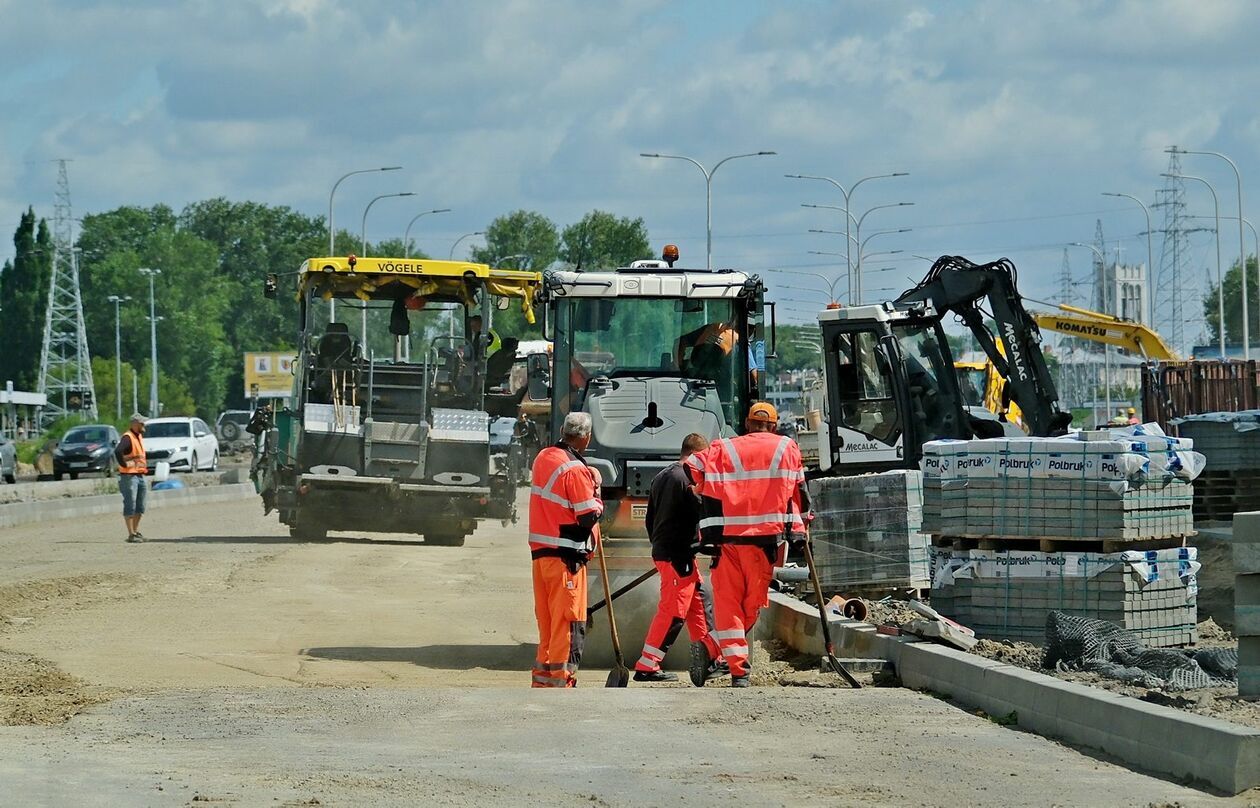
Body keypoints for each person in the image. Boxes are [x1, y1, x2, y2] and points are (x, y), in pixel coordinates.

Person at [685, 402, 808, 687]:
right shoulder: (786, 448)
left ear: (746, 423)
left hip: (726, 542)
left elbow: (692, 466)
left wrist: (706, 488)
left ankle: (717, 652)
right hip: (762, 542)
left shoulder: (723, 448)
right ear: (774, 426)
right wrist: (801, 529)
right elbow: (799, 492)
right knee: (750, 607)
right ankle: (735, 668)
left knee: (729, 607)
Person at [632, 433, 724, 685]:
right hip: (676, 554)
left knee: (699, 601)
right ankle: (647, 664)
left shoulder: (663, 476)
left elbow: (650, 519)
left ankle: (709, 657)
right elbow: (701, 513)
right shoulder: (687, 477)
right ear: (698, 453)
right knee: (674, 611)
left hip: (674, 553)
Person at [528, 412, 603, 688]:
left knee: (547, 622)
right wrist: (596, 490)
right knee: (568, 621)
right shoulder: (574, 469)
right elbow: (587, 516)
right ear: (587, 437)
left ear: (562, 430)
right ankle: (562, 679)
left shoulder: (543, 458)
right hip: (566, 558)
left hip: (542, 556)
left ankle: (544, 680)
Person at [114, 413, 149, 543]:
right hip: (129, 476)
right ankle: (131, 534)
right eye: (141, 423)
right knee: (130, 504)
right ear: (135, 424)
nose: (144, 425)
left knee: (140, 505)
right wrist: (123, 464)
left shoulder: (138, 436)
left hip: (139, 474)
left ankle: (135, 531)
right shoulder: (127, 438)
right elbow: (118, 451)